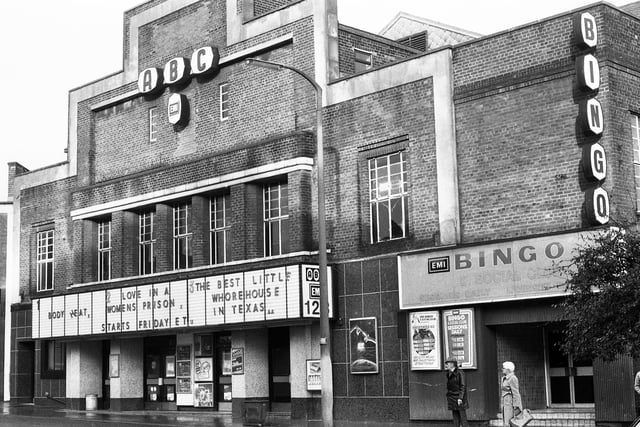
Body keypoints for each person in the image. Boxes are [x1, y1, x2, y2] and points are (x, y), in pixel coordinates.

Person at [445, 357, 469, 427]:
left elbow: (463, 386)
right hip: (452, 397)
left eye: (448, 363)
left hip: (458, 397)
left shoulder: (460, 373)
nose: (446, 365)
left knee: (462, 416)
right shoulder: (448, 373)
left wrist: (460, 398)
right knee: (455, 417)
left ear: (453, 364)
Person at [501, 361, 522, 427]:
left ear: (508, 369)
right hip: (506, 403)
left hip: (510, 404)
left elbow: (516, 393)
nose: (502, 369)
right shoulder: (505, 378)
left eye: (503, 368)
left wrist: (516, 406)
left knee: (510, 422)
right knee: (506, 422)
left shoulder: (513, 378)